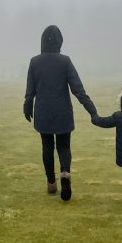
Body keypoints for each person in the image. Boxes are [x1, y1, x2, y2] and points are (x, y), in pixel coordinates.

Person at [23, 25, 97, 201]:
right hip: (63, 111)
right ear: (60, 41)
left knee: (47, 147)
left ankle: (51, 183)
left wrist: (27, 106)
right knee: (64, 146)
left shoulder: (35, 62)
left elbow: (30, 91)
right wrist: (92, 111)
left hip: (43, 112)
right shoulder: (65, 61)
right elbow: (78, 90)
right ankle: (65, 173)